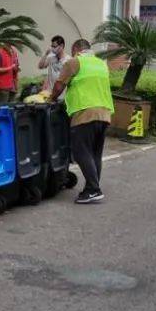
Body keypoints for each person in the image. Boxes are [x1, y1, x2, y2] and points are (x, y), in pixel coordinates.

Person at [50, 39, 114, 204]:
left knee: (80, 152)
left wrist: (50, 100)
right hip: (105, 113)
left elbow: (59, 86)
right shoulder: (101, 64)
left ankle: (93, 189)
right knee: (95, 153)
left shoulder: (74, 62)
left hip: (85, 113)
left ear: (76, 49)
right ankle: (91, 188)